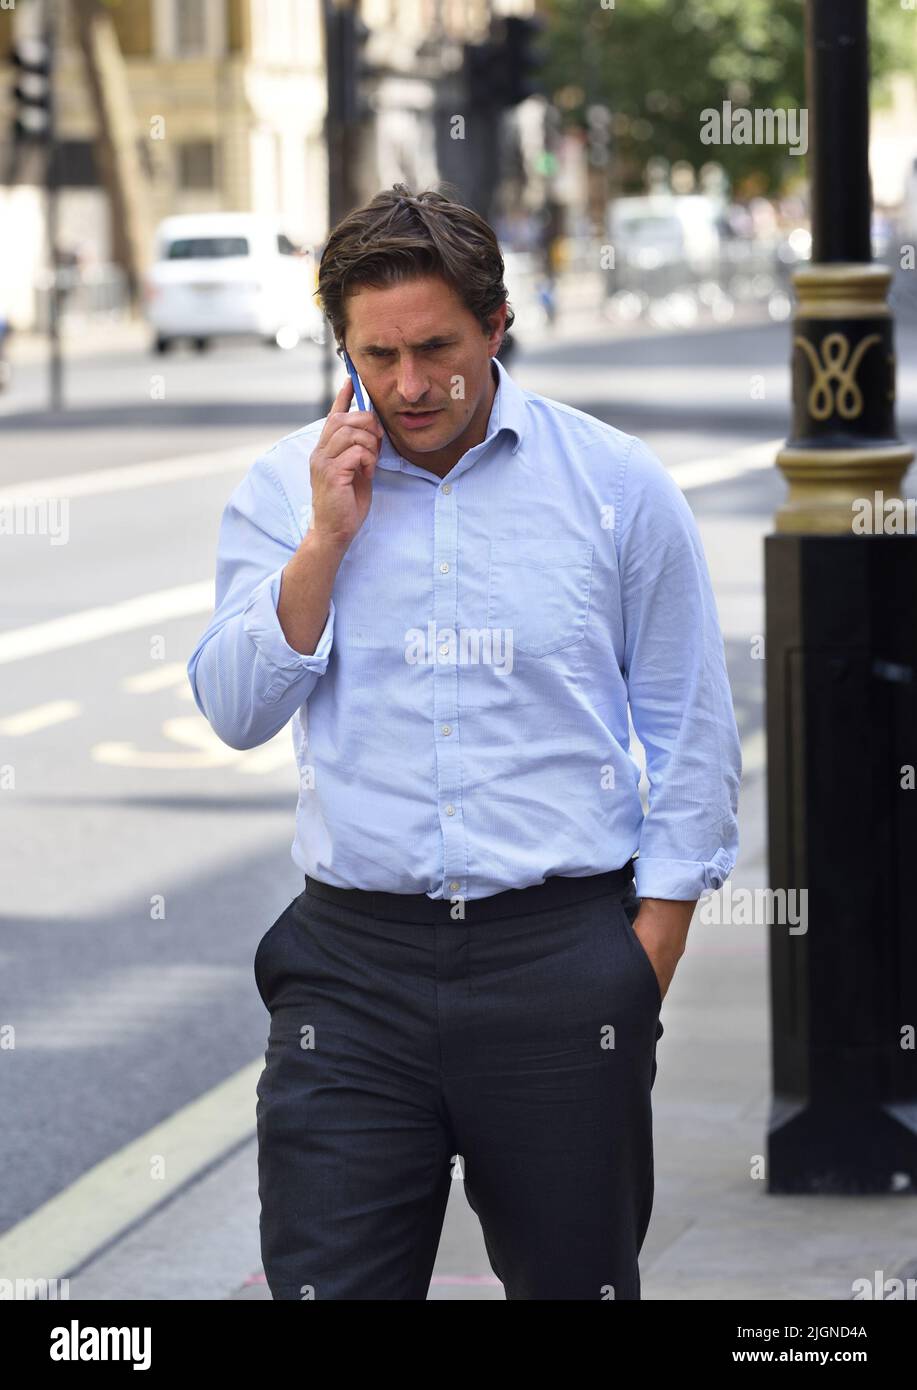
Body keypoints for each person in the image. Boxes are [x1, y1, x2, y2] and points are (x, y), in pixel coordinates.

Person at [187, 182, 742, 1301]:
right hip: (348, 974)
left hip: (559, 963)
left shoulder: (615, 487)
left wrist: (644, 958)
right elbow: (235, 707)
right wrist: (324, 544)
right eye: (373, 354)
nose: (404, 385)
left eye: (434, 348)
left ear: (496, 326)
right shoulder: (286, 491)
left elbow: (691, 735)